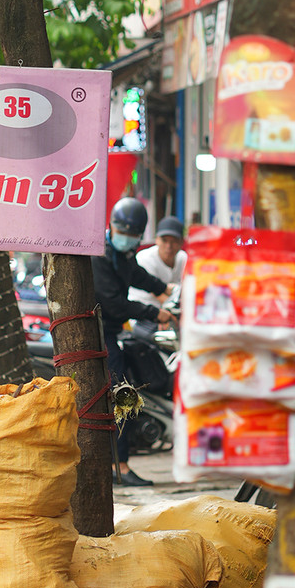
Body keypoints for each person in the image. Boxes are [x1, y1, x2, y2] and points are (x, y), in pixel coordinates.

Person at [92, 197, 171, 487]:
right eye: (121, 230)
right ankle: (119, 465)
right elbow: (114, 303)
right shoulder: (99, 253)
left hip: (112, 331)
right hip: (99, 333)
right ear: (110, 225)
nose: (126, 236)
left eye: (132, 233)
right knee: (122, 395)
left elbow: (136, 275)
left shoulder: (121, 254)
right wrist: (155, 312)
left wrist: (165, 288)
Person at [132, 216, 187, 307]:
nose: (168, 246)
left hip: (165, 312)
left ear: (181, 242)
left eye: (174, 241)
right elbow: (158, 294)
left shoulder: (184, 258)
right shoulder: (145, 258)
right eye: (164, 240)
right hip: (141, 312)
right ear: (157, 239)